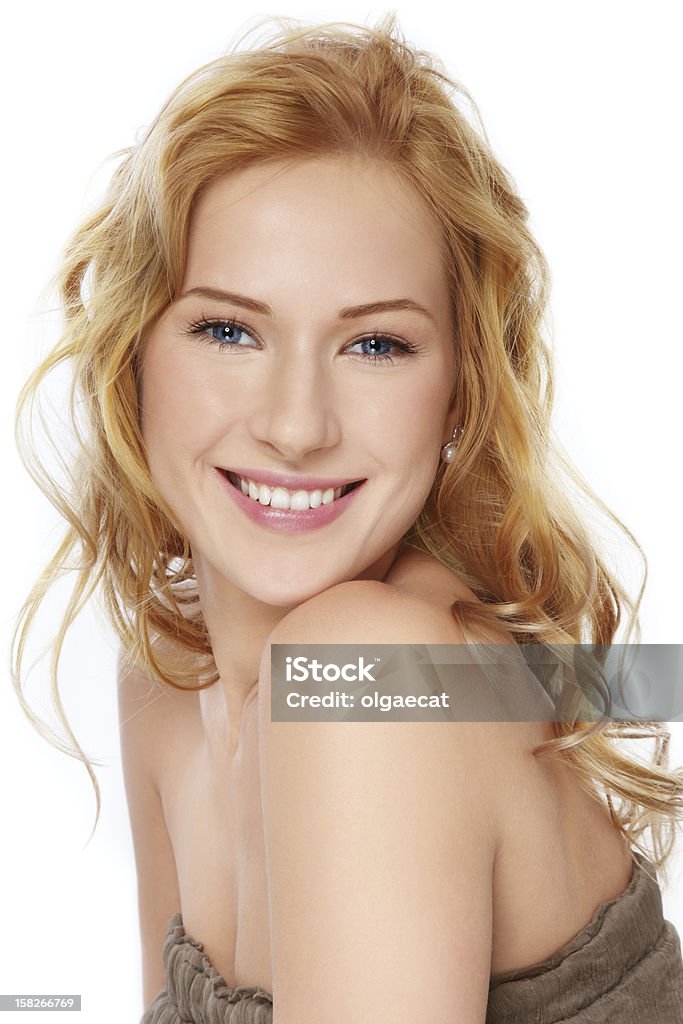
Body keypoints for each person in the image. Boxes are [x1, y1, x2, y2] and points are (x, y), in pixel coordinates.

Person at [12, 14, 683, 1023]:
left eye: (374, 345)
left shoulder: (365, 675)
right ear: (130, 355)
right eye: (228, 329)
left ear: (459, 391)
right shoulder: (168, 670)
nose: (294, 425)